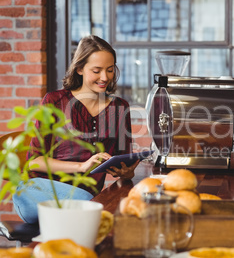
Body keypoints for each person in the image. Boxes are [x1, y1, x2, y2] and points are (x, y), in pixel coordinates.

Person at [12, 35, 139, 223]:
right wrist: (82, 166)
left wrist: (127, 172)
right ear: (79, 68)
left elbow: (122, 162)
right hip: (37, 191)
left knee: (97, 208)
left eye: (110, 70)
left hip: (86, 199)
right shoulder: (54, 101)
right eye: (96, 70)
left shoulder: (119, 108)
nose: (105, 77)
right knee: (93, 209)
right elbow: (34, 162)